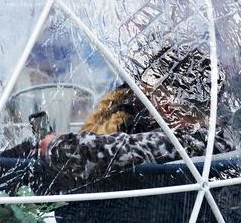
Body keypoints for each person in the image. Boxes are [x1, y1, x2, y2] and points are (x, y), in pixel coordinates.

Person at [31, 45, 237, 183]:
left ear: (168, 106)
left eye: (151, 97)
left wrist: (56, 145)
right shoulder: (222, 136)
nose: (148, 108)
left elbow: (122, 150)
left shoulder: (194, 142)